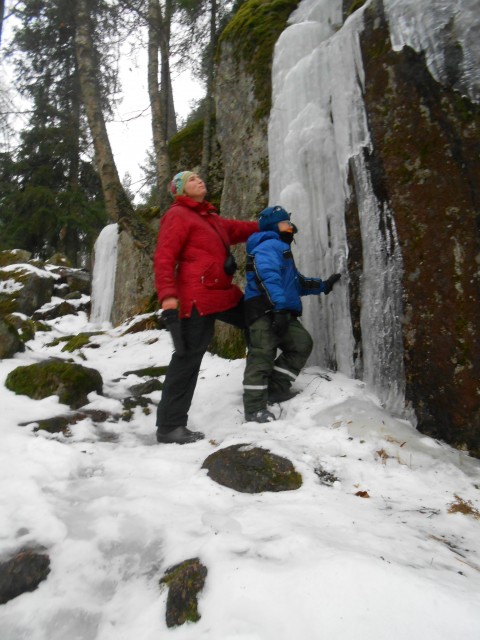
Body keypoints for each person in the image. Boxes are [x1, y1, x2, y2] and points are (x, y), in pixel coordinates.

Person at [154, 170, 259, 444]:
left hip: (220, 293)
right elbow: (165, 256)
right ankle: (169, 426)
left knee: (258, 317)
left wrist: (269, 224)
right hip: (195, 297)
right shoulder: (177, 215)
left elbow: (238, 229)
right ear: (180, 190)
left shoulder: (210, 217)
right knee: (187, 358)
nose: (198, 180)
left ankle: (264, 384)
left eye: (199, 177)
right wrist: (168, 296)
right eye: (191, 180)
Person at [242, 205, 341, 423]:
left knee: (301, 343)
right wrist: (277, 307)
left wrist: (323, 285)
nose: (289, 225)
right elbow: (266, 275)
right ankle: (254, 408)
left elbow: (295, 283)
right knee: (262, 354)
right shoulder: (268, 245)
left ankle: (276, 388)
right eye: (284, 222)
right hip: (263, 310)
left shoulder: (281, 248)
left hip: (281, 310)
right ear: (273, 226)